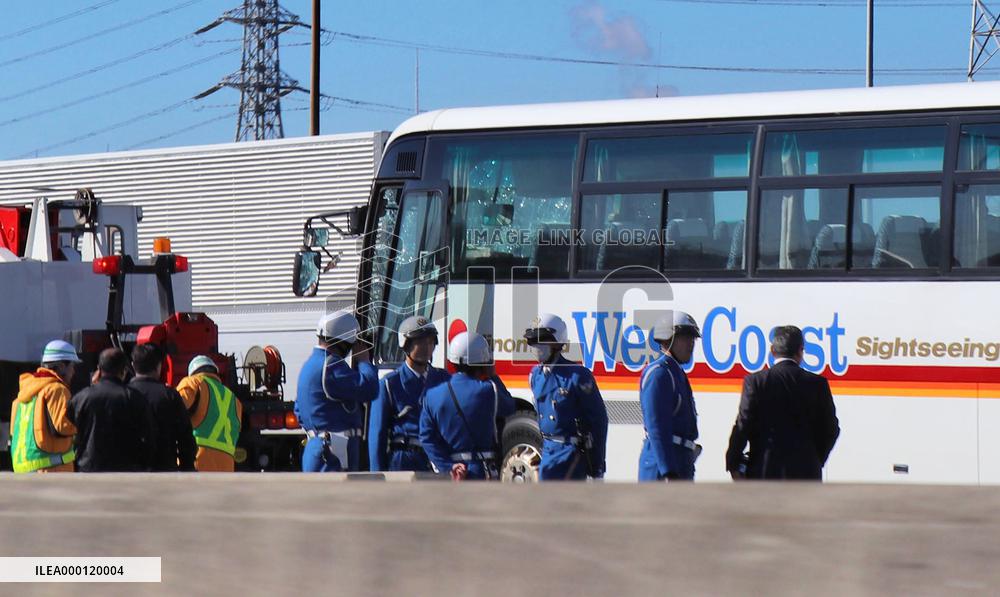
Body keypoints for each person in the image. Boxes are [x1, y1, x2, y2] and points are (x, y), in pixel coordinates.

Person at [726, 325, 841, 480]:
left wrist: (733, 462)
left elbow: (743, 424)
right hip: (806, 474)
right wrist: (815, 458)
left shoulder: (756, 381)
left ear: (773, 350)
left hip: (765, 471)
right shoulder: (817, 383)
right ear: (800, 351)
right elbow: (831, 428)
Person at [419, 332, 515, 481]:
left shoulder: (431, 395)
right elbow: (509, 407)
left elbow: (426, 439)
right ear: (484, 363)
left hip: (452, 474)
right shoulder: (488, 390)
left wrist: (447, 466)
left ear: (452, 362)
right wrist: (493, 375)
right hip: (482, 471)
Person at [524, 313, 608, 481]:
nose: (537, 347)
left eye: (542, 342)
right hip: (547, 452)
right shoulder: (535, 375)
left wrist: (597, 464)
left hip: (570, 455)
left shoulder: (577, 376)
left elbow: (598, 421)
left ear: (557, 343)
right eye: (534, 343)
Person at [295, 309, 378, 472]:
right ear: (343, 342)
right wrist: (365, 362)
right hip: (333, 452)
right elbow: (369, 389)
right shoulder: (331, 366)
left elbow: (298, 410)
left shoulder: (310, 365)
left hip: (317, 446)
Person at [368, 316, 450, 472]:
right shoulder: (389, 384)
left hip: (438, 459)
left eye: (431, 342)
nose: (427, 347)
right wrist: (376, 476)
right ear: (405, 344)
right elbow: (377, 435)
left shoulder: (443, 380)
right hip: (404, 460)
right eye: (420, 342)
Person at [638, 311, 702, 482]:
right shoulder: (660, 374)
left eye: (693, 339)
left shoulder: (676, 372)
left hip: (681, 462)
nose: (691, 344)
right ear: (668, 339)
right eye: (685, 338)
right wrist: (668, 470)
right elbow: (656, 426)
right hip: (662, 468)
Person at [68, 348, 153, 472]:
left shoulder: (81, 398)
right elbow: (148, 436)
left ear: (99, 369)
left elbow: (71, 430)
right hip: (126, 468)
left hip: (88, 467)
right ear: (124, 370)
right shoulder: (134, 397)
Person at [10, 340, 80, 473]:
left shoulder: (23, 394)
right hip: (52, 470)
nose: (74, 371)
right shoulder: (57, 389)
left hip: (23, 471)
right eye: (72, 366)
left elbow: (14, 432)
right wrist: (86, 423)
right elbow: (64, 426)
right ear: (61, 366)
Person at [129, 343, 197, 472]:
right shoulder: (170, 395)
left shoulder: (123, 395)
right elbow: (185, 438)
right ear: (159, 366)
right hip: (164, 471)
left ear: (133, 365)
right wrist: (187, 468)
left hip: (128, 472)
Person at [177, 355, 242, 472]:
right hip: (227, 466)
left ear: (193, 373)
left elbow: (174, 413)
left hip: (198, 461)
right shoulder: (234, 399)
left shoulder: (192, 382)